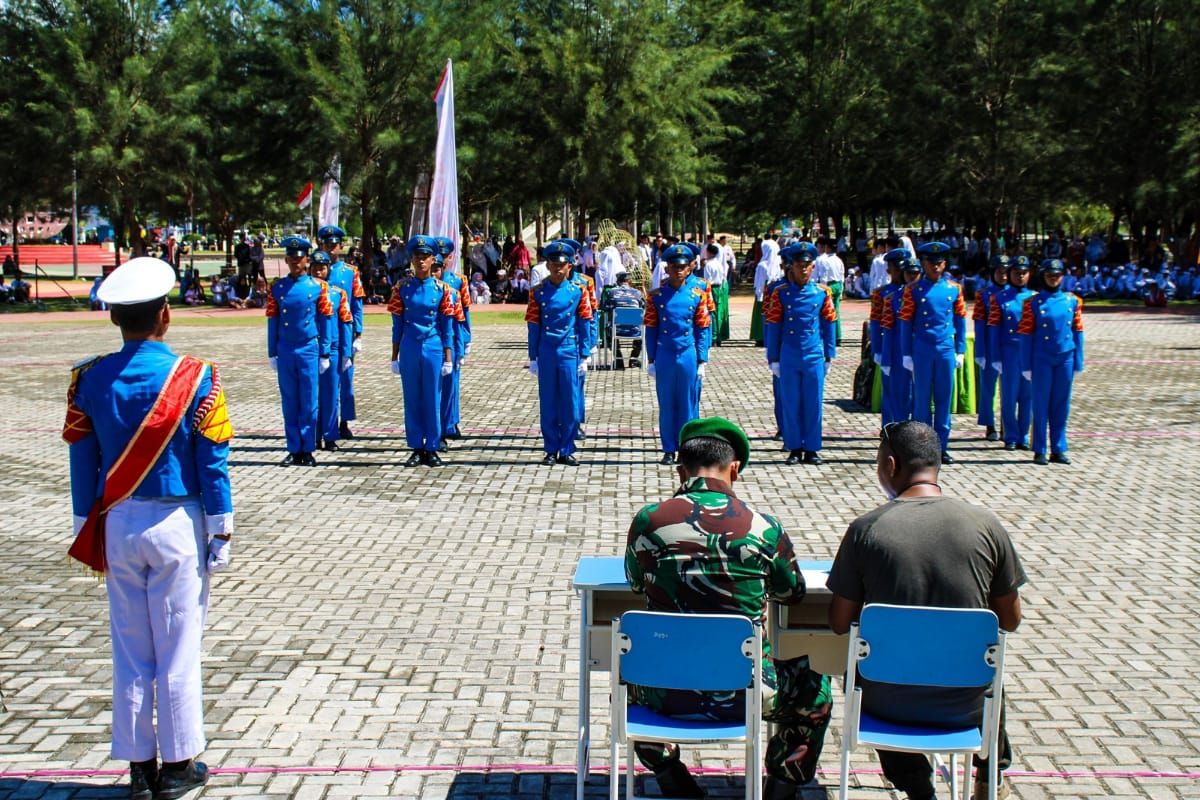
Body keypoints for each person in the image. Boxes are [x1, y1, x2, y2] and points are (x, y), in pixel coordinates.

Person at [65, 256, 233, 800]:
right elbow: (213, 460)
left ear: (114, 317)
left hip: (118, 521)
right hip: (177, 520)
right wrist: (221, 525)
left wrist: (82, 521)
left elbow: (81, 458)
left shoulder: (88, 377)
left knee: (132, 648)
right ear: (166, 314)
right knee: (179, 645)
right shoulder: (195, 375)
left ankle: (139, 767)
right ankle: (181, 763)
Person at [625, 417, 832, 800]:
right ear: (734, 468)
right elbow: (793, 592)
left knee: (626, 681)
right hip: (746, 690)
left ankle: (670, 774)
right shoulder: (763, 527)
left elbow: (635, 582)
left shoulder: (649, 521)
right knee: (816, 693)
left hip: (662, 689)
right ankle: (782, 788)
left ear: (680, 468)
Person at [828, 420, 1024, 800]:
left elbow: (838, 622)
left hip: (889, 705)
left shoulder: (866, 530)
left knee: (864, 665)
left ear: (890, 465)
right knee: (988, 670)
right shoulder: (986, 526)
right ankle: (989, 772)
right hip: (965, 704)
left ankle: (917, 787)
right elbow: (1010, 619)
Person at [388, 235, 458, 467]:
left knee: (432, 398)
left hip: (433, 346)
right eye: (417, 257)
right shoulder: (402, 288)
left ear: (432, 260)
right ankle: (416, 446)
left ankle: (433, 446)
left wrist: (448, 357)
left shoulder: (443, 290)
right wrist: (394, 356)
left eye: (425, 257)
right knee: (412, 399)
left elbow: (447, 326)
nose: (421, 261)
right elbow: (397, 324)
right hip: (409, 347)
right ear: (411, 259)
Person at [765, 241, 837, 465]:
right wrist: (773, 358)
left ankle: (812, 447)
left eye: (807, 265)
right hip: (789, 354)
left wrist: (829, 355)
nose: (803, 269)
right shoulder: (781, 293)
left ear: (813, 267)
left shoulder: (822, 292)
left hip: (813, 353)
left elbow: (829, 323)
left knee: (813, 402)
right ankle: (794, 447)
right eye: (799, 265)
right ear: (791, 267)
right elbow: (773, 325)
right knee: (791, 401)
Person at [897, 241, 967, 463]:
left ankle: (942, 446)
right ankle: (921, 448)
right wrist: (906, 353)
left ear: (945, 264)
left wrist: (961, 349)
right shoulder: (913, 290)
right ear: (923, 264)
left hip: (945, 348)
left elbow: (960, 320)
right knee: (921, 401)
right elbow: (906, 323)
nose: (935, 267)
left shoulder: (954, 289)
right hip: (923, 349)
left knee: (944, 399)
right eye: (930, 263)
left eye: (939, 263)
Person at [266, 236, 333, 467]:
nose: (296, 262)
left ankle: (308, 447)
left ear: (307, 260)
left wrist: (324, 352)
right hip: (286, 348)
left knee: (309, 401)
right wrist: (271, 351)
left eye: (300, 258)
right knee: (290, 401)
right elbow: (273, 320)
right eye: (292, 258)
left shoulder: (318, 287)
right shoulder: (278, 288)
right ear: (286, 260)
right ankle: (294, 448)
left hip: (308, 348)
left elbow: (325, 321)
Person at [525, 241, 593, 466]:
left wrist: (585, 354)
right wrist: (532, 356)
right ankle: (551, 448)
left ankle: (567, 447)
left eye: (562, 265)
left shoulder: (578, 291)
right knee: (549, 402)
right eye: (553, 264)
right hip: (546, 350)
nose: (557, 268)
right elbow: (533, 325)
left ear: (569, 267)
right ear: (548, 265)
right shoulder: (538, 292)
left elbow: (584, 322)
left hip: (568, 350)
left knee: (570, 403)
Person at [645, 244, 712, 465]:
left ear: (689, 268)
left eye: (682, 266)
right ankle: (668, 448)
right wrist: (651, 358)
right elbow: (651, 328)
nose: (679, 271)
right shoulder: (656, 296)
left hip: (687, 354)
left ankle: (688, 449)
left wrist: (702, 359)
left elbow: (702, 328)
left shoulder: (697, 295)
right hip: (665, 353)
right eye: (674, 266)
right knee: (666, 403)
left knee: (687, 402)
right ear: (667, 268)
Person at [1018, 259, 1085, 465]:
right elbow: (1026, 335)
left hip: (1065, 356)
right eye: (1049, 275)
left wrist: (1078, 362)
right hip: (1041, 358)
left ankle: (1059, 447)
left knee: (1061, 404)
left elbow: (1078, 331)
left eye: (1057, 275)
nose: (1053, 279)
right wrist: (1026, 365)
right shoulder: (1032, 303)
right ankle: (1039, 448)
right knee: (1040, 404)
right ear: (1043, 277)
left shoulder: (1073, 301)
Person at [317, 225, 366, 441]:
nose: (330, 249)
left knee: (345, 379)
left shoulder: (350, 272)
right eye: (326, 245)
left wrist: (358, 333)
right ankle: (323, 423)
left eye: (333, 245)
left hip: (343, 332)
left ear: (340, 246)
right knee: (322, 381)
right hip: (320, 333)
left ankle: (344, 421)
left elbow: (357, 304)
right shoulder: (315, 269)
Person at [985, 257, 1035, 451]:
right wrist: (995, 357)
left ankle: (1023, 435)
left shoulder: (1034, 298)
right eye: (1016, 273)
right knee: (1009, 395)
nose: (1020, 276)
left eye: (1024, 273)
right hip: (1009, 352)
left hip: (1029, 352)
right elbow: (994, 329)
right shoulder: (999, 298)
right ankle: (1011, 435)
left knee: (1027, 396)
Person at [309, 251, 354, 452]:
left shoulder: (338, 293)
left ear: (328, 269)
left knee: (330, 395)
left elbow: (346, 323)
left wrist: (346, 353)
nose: (319, 271)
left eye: (322, 267)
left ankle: (330, 436)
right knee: (312, 396)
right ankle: (313, 437)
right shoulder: (305, 292)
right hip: (310, 348)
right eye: (315, 267)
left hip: (333, 350)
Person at [433, 236, 471, 447]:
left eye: (445, 257)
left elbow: (464, 313)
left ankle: (449, 423)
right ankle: (437, 426)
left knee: (451, 385)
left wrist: (466, 340)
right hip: (435, 339)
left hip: (453, 337)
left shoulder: (458, 281)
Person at [871, 249, 910, 425]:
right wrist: (878, 349)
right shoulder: (881, 294)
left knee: (912, 389)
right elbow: (875, 322)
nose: (899, 273)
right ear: (888, 270)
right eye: (895, 269)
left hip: (912, 345)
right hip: (892, 345)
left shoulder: (914, 291)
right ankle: (889, 426)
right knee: (891, 388)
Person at [973, 256, 1009, 441]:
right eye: (999, 272)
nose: (1003, 276)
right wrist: (980, 351)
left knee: (1010, 390)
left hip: (1009, 348)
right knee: (989, 388)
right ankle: (989, 424)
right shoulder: (984, 294)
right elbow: (979, 324)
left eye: (1005, 272)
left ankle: (1007, 425)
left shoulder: (1016, 294)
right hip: (989, 348)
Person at [601, 271, 645, 369]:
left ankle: (619, 360)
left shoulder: (611, 292)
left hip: (617, 329)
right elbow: (642, 309)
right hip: (635, 330)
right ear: (629, 281)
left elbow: (605, 309)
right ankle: (633, 360)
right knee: (641, 329)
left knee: (608, 331)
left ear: (617, 281)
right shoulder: (637, 293)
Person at [813, 237, 846, 344]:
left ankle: (828, 335)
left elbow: (824, 276)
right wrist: (841, 290)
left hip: (828, 285)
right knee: (836, 310)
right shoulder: (839, 260)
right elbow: (842, 275)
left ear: (827, 247)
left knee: (826, 311)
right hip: (838, 285)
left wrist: (821, 289)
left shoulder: (824, 260)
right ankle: (838, 335)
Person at [751, 235, 782, 345]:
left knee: (761, 313)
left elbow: (759, 282)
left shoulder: (762, 265)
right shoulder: (778, 264)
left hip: (763, 291)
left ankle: (759, 336)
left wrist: (759, 294)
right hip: (773, 291)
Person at [701, 242, 731, 344]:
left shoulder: (708, 265)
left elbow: (707, 280)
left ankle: (713, 337)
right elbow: (723, 277)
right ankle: (719, 336)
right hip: (719, 288)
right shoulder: (719, 264)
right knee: (718, 312)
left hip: (711, 288)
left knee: (711, 311)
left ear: (709, 252)